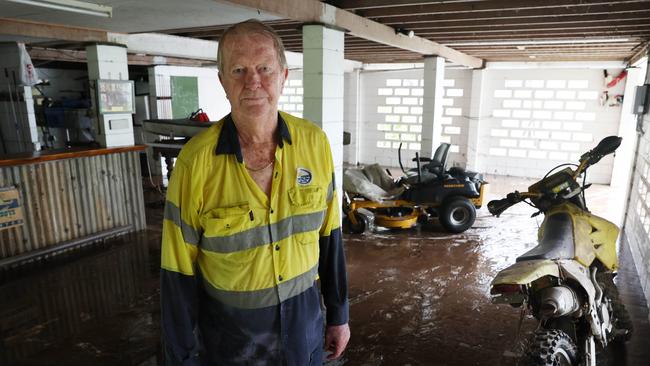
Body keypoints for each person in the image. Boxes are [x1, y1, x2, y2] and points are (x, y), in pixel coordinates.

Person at [160, 19, 350, 365]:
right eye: (238, 70)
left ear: (284, 75)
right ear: (222, 81)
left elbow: (330, 236)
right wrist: (182, 357)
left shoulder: (315, 143)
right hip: (233, 344)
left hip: (304, 332)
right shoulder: (195, 162)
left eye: (265, 68)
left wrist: (338, 314)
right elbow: (176, 273)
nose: (253, 82)